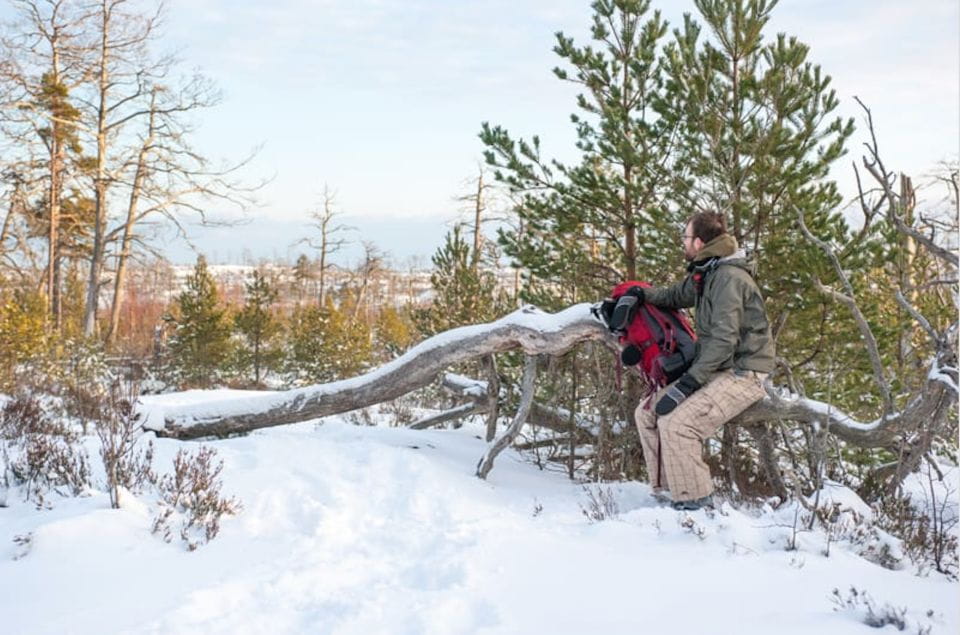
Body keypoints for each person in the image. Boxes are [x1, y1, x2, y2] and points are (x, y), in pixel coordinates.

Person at [631, 211, 775, 510]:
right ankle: (667, 493)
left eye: (685, 237)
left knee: (678, 424)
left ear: (698, 242)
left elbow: (724, 341)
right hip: (719, 367)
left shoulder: (728, 278)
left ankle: (696, 506)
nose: (682, 242)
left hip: (743, 372)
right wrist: (641, 294)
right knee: (647, 414)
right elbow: (675, 295)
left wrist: (687, 384)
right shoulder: (708, 272)